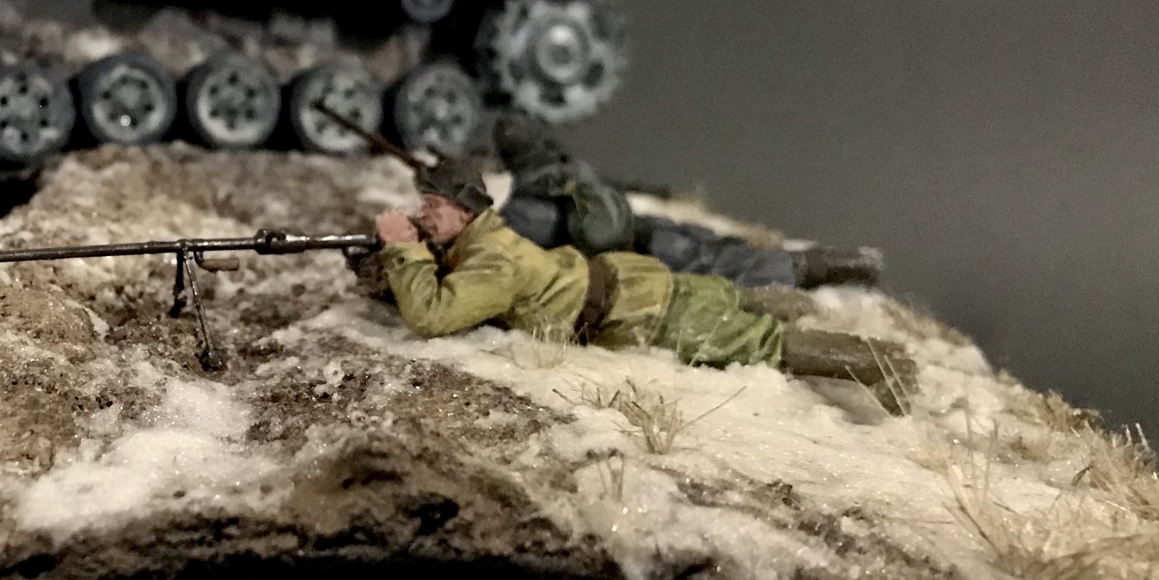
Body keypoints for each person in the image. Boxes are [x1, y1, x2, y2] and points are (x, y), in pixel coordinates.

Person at [373, 160, 917, 414]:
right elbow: (451, 283)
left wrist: (403, 250)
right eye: (424, 205)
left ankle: (880, 363)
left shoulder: (492, 261)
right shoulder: (483, 240)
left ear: (465, 211)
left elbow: (433, 317)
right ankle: (769, 299)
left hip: (636, 310)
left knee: (758, 344)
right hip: (628, 284)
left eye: (434, 206)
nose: (424, 215)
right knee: (714, 295)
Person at [494, 113, 883, 289]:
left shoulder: (520, 206)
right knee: (720, 252)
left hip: (625, 259)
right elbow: (613, 190)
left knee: (724, 271)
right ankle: (820, 263)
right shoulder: (565, 168)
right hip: (644, 230)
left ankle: (809, 270)